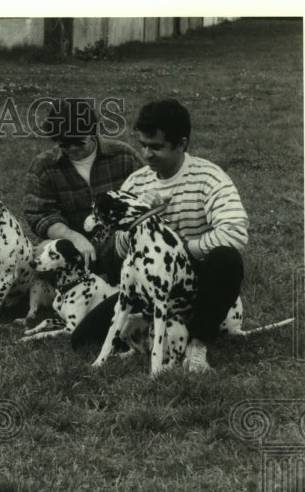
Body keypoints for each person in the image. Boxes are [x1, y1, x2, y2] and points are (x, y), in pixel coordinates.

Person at [71, 98, 249, 372]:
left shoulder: (209, 178)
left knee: (227, 259)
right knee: (81, 340)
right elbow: (118, 252)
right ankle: (158, 333)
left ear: (181, 144)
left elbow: (235, 233)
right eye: (142, 145)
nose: (146, 154)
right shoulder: (137, 182)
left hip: (197, 283)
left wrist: (181, 250)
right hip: (150, 286)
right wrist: (137, 219)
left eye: (156, 147)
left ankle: (197, 345)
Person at [24, 98, 143, 284]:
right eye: (64, 144)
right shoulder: (43, 166)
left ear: (93, 132)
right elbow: (39, 214)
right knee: (39, 254)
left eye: (79, 142)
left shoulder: (124, 156)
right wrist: (72, 237)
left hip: (121, 245)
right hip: (73, 247)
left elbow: (145, 199)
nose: (72, 149)